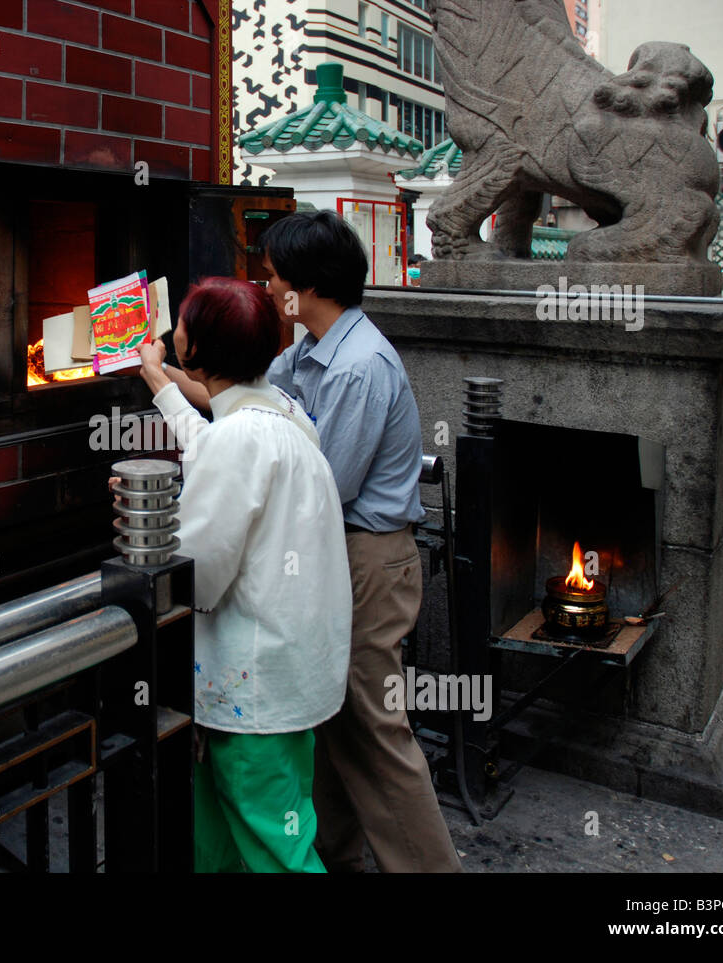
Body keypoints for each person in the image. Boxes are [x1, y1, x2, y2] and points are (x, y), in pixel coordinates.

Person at [156, 211, 462, 872]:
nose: (265, 291)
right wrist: (162, 376)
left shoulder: (356, 366)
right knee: (330, 724)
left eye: (272, 279)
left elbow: (324, 484)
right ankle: (328, 853)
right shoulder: (308, 352)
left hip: (365, 556)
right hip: (333, 553)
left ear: (309, 288)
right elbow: (237, 395)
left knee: (376, 733)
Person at [133, 276, 352, 873]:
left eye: (180, 322)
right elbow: (218, 447)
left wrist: (150, 519)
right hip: (285, 676)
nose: (171, 331)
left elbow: (197, 576)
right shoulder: (279, 413)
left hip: (251, 696)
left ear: (196, 348)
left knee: (278, 856)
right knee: (223, 846)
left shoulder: (240, 440)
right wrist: (159, 384)